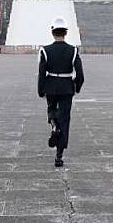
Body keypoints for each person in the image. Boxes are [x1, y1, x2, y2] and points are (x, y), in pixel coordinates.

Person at [38, 17, 84, 167]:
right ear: (65, 32)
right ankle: (59, 155)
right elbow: (80, 74)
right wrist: (76, 87)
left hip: (51, 86)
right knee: (65, 119)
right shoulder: (73, 50)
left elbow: (41, 73)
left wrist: (41, 89)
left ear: (52, 32)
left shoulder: (45, 50)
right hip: (66, 87)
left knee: (51, 109)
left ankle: (53, 124)